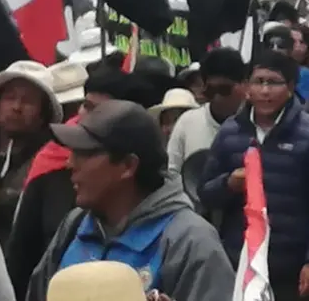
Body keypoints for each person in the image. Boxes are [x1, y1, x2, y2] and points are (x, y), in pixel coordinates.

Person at [26, 100, 234, 301]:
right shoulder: (75, 225)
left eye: (84, 153)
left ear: (127, 165)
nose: (70, 163)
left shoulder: (189, 241)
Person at [199, 50, 309, 301]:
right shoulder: (230, 133)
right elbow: (205, 192)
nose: (265, 91)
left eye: (273, 83)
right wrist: (229, 184)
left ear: (290, 87)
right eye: (258, 82)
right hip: (239, 263)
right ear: (246, 88)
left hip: (291, 267)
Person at [6, 64, 136, 300]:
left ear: (129, 166)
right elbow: (21, 260)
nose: (84, 117)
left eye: (99, 110)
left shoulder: (180, 237)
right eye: (85, 105)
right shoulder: (50, 173)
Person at [0, 61, 63, 245]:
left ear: (42, 114)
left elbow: (48, 216)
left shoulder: (51, 160)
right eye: (9, 97)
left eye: (28, 101)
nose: (16, 107)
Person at [166, 48, 246, 180]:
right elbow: (171, 172)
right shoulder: (187, 122)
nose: (217, 98)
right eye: (210, 91)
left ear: (244, 85)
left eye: (224, 90)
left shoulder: (257, 122)